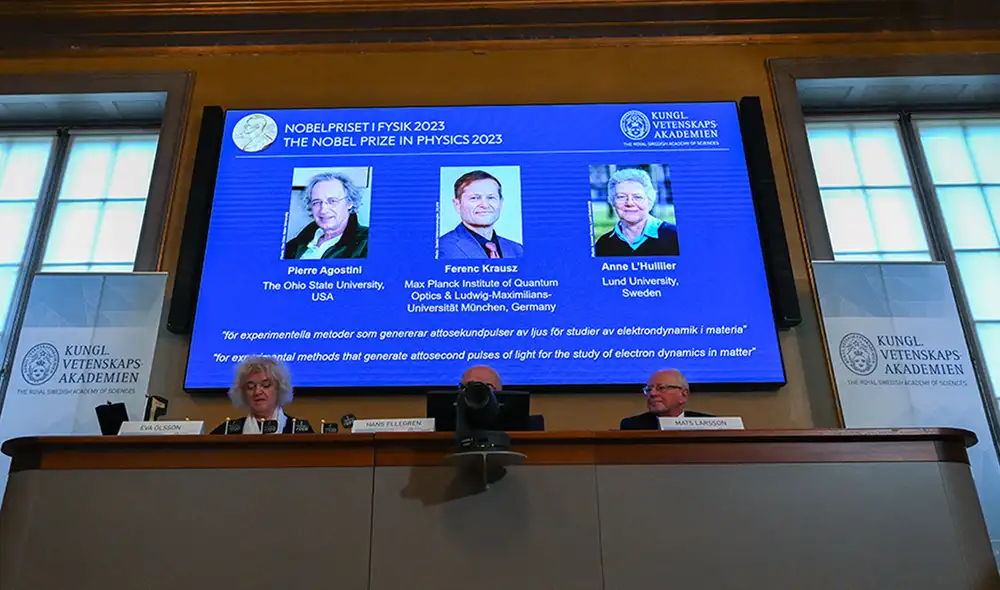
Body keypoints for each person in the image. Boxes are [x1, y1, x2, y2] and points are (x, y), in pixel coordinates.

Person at [210, 356, 314, 434]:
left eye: (266, 385)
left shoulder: (299, 429)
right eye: (250, 387)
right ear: (243, 393)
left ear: (279, 389)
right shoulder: (227, 431)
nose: (257, 392)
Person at [438, 170, 524, 259]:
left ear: (501, 203)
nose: (485, 205)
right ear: (457, 205)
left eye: (491, 197)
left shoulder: (518, 250)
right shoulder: (441, 249)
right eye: (475, 198)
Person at [594, 168, 679, 257]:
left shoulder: (675, 236)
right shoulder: (603, 244)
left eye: (637, 197)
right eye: (621, 197)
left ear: (649, 201)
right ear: (612, 201)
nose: (629, 203)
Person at [284, 171, 369, 259]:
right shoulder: (301, 240)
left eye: (332, 201)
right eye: (316, 202)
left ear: (349, 203)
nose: (323, 210)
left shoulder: (366, 242)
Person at [619, 368, 712, 430]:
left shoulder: (709, 425)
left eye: (661, 388)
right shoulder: (633, 426)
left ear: (683, 394)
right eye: (649, 389)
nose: (652, 394)